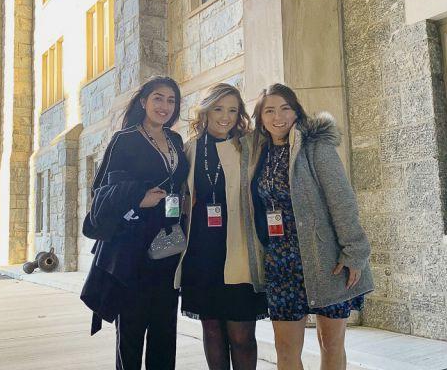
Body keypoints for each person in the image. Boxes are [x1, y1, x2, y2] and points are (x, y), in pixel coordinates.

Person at [250, 84, 373, 370]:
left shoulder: (315, 146)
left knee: (331, 344)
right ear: (261, 117)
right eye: (269, 110)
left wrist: (354, 252)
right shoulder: (258, 153)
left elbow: (341, 200)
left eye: (285, 108)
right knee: (286, 350)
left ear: (296, 111)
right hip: (281, 262)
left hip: (325, 259)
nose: (278, 116)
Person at [81, 75, 190, 370]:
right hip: (133, 247)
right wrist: (137, 197)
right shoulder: (125, 140)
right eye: (158, 98)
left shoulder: (175, 140)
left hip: (167, 244)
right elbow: (101, 190)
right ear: (143, 102)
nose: (164, 106)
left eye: (171, 100)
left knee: (165, 329)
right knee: (131, 328)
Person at [175, 83, 268, 370]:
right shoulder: (190, 148)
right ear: (206, 110)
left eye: (232, 109)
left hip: (239, 253)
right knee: (212, 331)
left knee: (241, 335)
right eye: (218, 108)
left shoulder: (250, 146)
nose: (225, 116)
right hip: (201, 255)